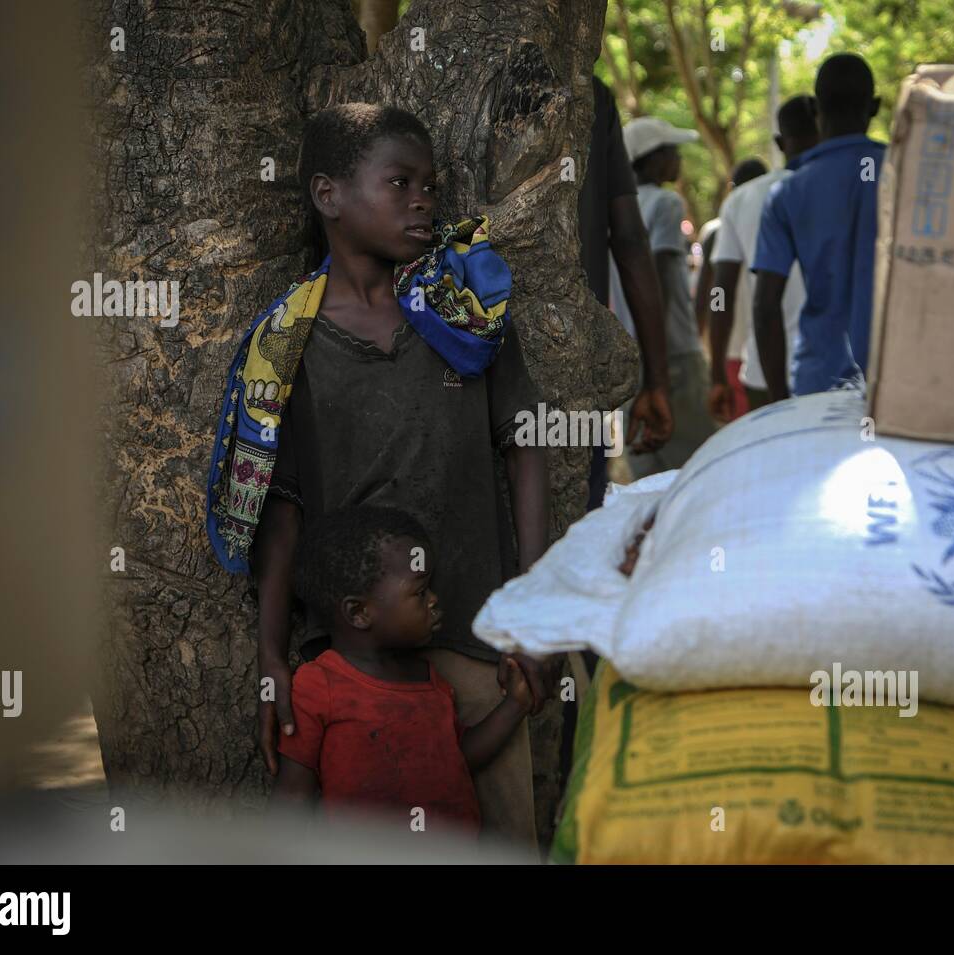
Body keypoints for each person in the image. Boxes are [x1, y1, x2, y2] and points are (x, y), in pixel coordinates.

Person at [206, 103, 552, 854]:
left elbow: (525, 448)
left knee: (498, 838)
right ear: (328, 195)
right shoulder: (287, 345)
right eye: (400, 182)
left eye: (430, 184)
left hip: (481, 642)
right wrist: (272, 657)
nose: (424, 199)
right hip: (353, 662)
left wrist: (537, 600)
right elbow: (281, 508)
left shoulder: (467, 313)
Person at [270, 504, 534, 837]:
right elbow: (293, 795)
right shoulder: (319, 685)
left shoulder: (429, 680)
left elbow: (456, 760)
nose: (435, 600)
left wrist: (515, 705)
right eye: (420, 592)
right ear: (359, 612)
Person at [751, 53, 886, 400]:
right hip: (900, 380)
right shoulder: (908, 172)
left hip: (819, 385)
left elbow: (765, 306)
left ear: (814, 108)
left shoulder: (788, 192)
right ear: (874, 107)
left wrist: (780, 401)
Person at [578, 75, 673, 513]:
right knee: (579, 517)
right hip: (576, 370)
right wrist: (656, 381)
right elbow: (631, 241)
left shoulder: (442, 60)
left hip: (466, 351)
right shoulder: (588, 91)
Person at [608, 116, 717, 478]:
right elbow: (658, 281)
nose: (678, 159)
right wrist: (661, 372)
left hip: (628, 355)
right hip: (671, 355)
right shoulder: (666, 204)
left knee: (646, 466)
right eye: (671, 151)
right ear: (652, 159)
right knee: (694, 466)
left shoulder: (613, 209)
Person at [708, 96, 820, 418]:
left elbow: (721, 293)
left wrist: (717, 373)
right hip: (834, 372)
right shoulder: (842, 188)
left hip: (762, 373)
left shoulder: (741, 200)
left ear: (780, 142)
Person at [697, 157, 770, 420]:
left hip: (729, 345)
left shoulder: (715, 229)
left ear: (732, 187)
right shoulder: (777, 217)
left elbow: (712, 292)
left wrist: (701, 333)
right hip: (766, 349)